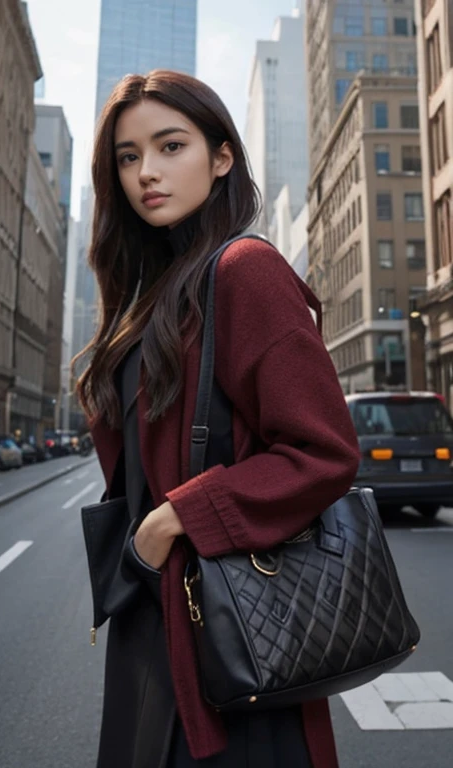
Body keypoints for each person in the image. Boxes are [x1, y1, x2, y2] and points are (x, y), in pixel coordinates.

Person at [76, 69, 361, 768]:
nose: (148, 172)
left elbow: (322, 453)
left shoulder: (244, 273)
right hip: (154, 627)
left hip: (230, 641)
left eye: (171, 146)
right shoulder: (152, 299)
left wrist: (174, 519)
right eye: (129, 156)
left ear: (222, 155)